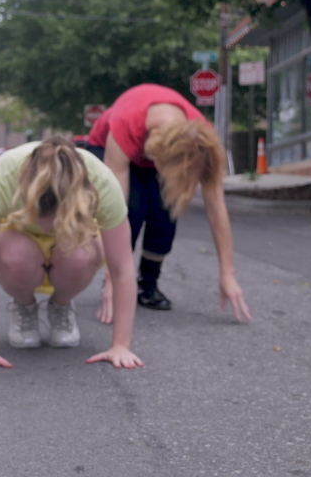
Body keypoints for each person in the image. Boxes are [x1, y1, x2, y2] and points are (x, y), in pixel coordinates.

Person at [0, 137, 144, 374]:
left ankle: (61, 305)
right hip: (18, 238)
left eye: (53, 216)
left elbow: (123, 269)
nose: (46, 227)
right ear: (20, 182)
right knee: (16, 257)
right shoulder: (0, 178)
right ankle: (24, 306)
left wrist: (120, 345)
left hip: (73, 234)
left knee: (81, 255)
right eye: (38, 214)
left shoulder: (101, 182)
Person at [87, 83, 252, 323]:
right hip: (107, 147)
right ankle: (120, 277)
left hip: (162, 148)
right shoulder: (126, 125)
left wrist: (228, 273)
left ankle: (148, 283)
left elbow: (216, 207)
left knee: (165, 212)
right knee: (132, 209)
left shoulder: (201, 141)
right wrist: (113, 280)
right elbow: (115, 209)